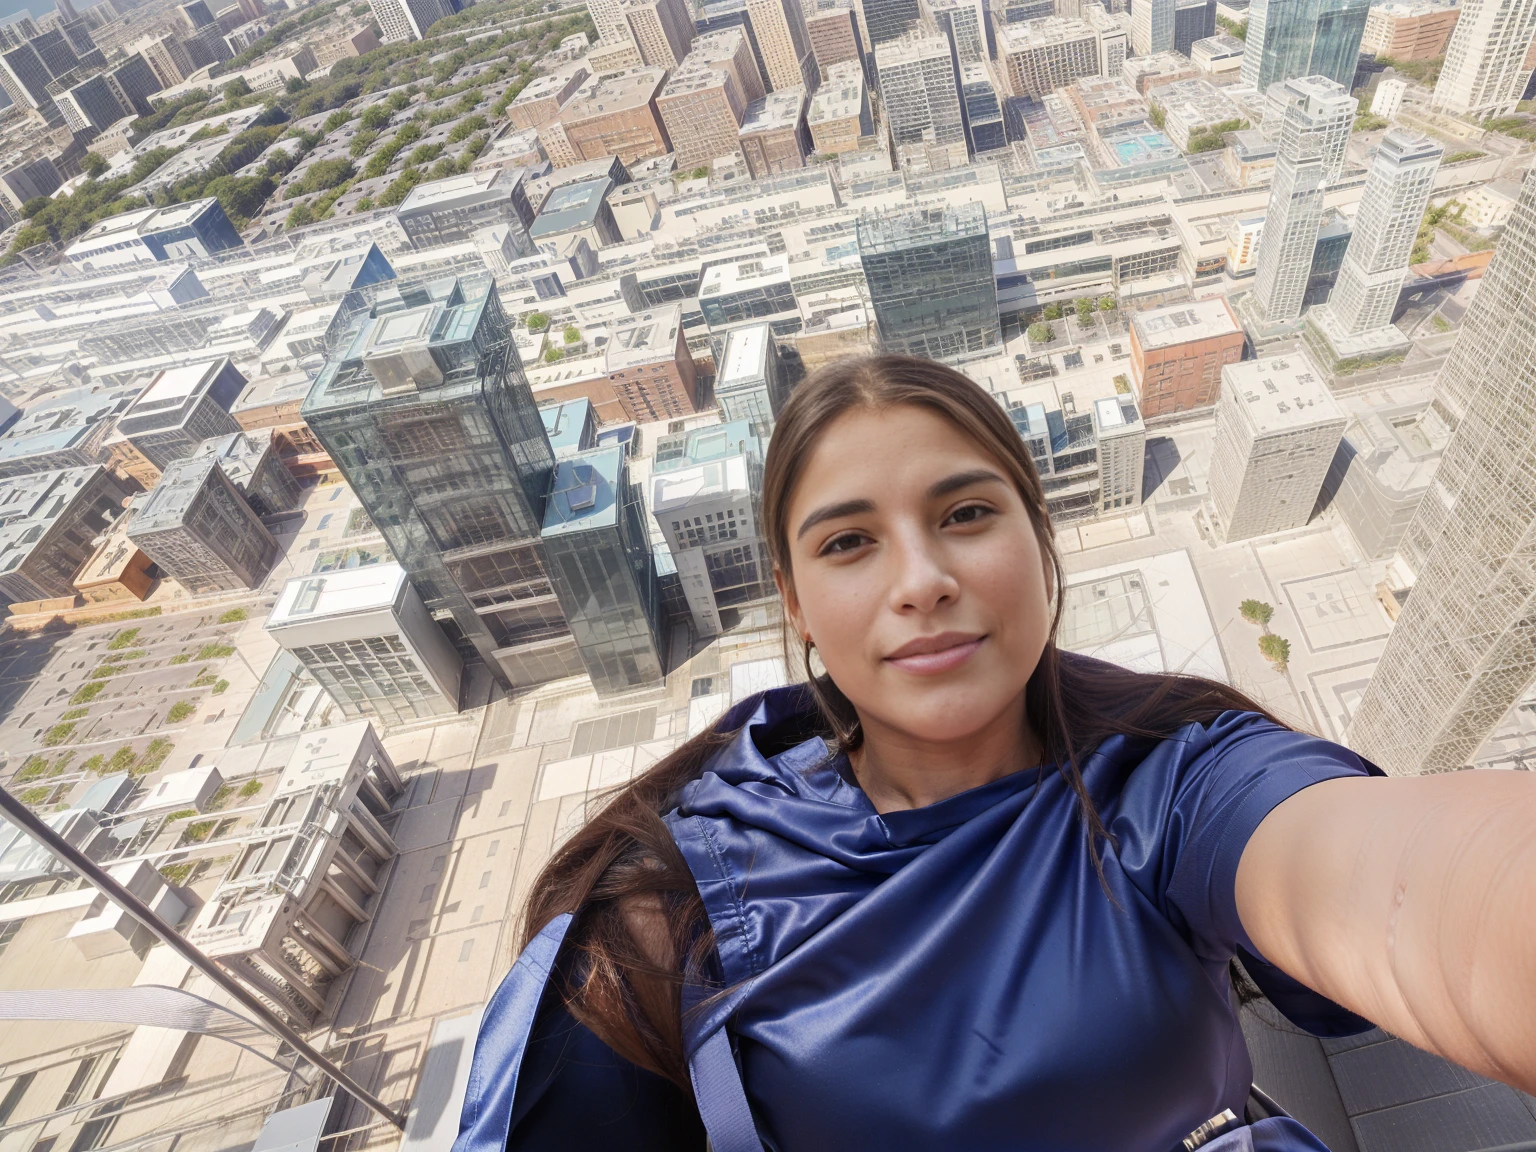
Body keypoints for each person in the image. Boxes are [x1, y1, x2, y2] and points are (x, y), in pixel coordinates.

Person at [454, 355, 1536, 1152]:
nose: (921, 577)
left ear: (1036, 533)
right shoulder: (674, 902)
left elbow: (1395, 882)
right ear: (795, 601)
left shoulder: (1169, 782)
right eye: (848, 542)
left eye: (965, 512)